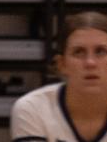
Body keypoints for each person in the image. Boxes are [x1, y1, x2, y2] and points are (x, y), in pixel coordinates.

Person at [11, 11, 107, 142]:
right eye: (78, 52)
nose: (90, 62)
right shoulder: (33, 108)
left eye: (101, 51)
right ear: (62, 64)